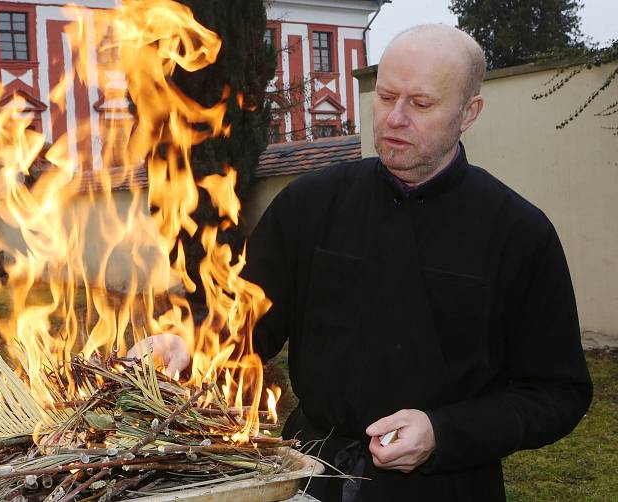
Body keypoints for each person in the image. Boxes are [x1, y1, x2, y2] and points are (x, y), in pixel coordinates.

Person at [136, 24, 593, 501]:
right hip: (309, 470)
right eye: (385, 96)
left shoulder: (518, 232)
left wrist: (445, 430)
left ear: (469, 112)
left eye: (421, 104)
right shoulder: (311, 203)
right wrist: (189, 343)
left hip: (448, 486)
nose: (394, 118)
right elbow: (247, 318)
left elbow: (557, 393)